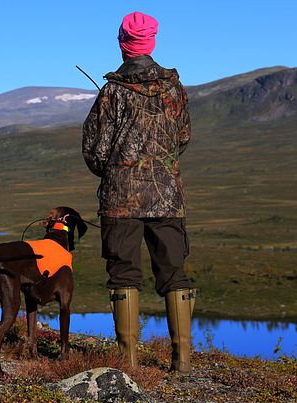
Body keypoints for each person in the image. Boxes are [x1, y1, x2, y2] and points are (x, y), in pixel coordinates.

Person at [81, 11, 196, 372]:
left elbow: (95, 151)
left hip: (120, 199)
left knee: (123, 274)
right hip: (167, 196)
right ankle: (183, 362)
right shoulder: (174, 88)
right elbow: (182, 138)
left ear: (122, 43)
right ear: (152, 42)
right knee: (174, 272)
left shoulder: (112, 92)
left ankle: (127, 362)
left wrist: (116, 170)